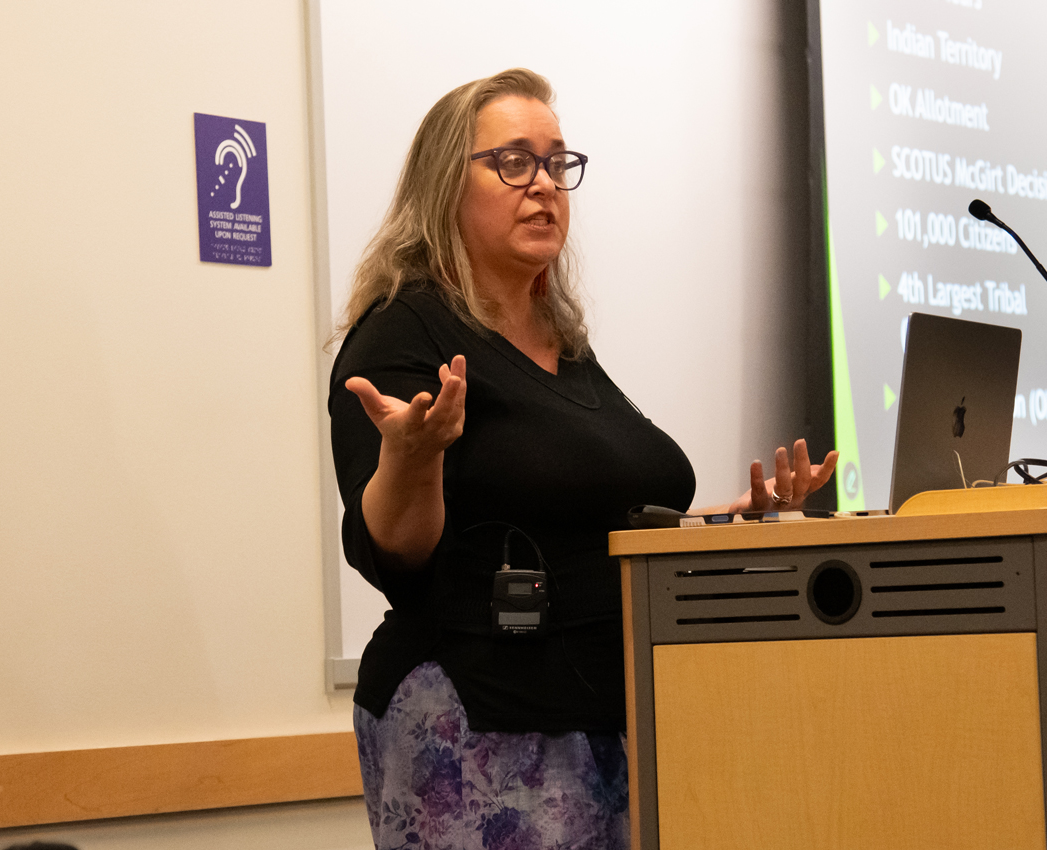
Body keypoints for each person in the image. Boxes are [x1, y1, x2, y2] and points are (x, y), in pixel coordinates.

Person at [328, 68, 836, 849]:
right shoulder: (406, 333)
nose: (544, 184)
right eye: (513, 162)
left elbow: (587, 520)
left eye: (557, 163)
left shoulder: (563, 344)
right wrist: (411, 458)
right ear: (445, 186)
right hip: (479, 721)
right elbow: (396, 552)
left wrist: (725, 524)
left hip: (608, 711)